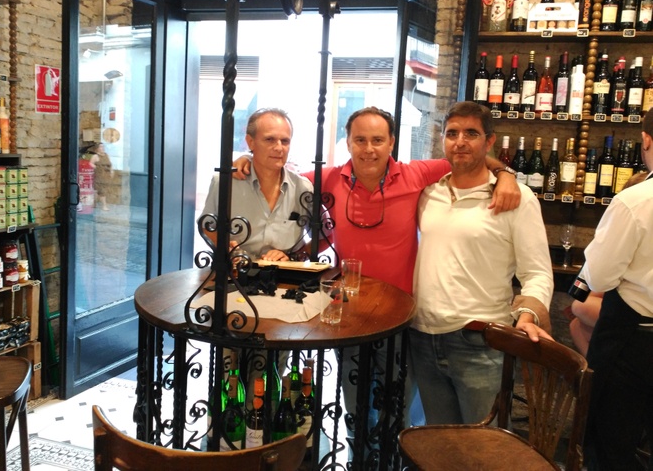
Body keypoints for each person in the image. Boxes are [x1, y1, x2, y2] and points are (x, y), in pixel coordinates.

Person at [234, 106, 522, 430]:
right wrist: (246, 158)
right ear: (348, 143)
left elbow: (469, 158)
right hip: (349, 315)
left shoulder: (416, 174)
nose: (368, 149)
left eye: (377, 140)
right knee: (354, 407)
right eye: (360, 140)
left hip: (400, 318)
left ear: (391, 143)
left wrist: (506, 175)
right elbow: (279, 173)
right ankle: (357, 453)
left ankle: (392, 454)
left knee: (396, 411)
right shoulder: (328, 179)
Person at [409, 101, 553, 425]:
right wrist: (505, 171)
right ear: (442, 140)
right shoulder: (427, 192)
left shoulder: (516, 199)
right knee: (439, 443)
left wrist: (528, 315)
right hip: (422, 337)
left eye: (471, 133)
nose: (460, 141)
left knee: (485, 446)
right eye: (452, 133)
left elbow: (537, 272)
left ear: (489, 142)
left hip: (480, 343)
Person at [580, 112, 653, 471]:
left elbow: (599, 278)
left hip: (634, 340)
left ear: (646, 140)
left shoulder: (635, 201)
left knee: (611, 448)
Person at [202, 108, 313, 261]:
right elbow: (207, 226)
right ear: (250, 142)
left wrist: (293, 257)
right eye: (270, 139)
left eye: (285, 141)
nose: (279, 148)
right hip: (235, 272)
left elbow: (324, 236)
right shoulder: (226, 183)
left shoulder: (303, 189)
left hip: (285, 273)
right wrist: (225, 246)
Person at [568, 171, 648, 357]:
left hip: (635, 324)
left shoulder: (631, 207)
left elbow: (585, 297)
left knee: (579, 315)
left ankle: (594, 369)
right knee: (577, 325)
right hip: (633, 323)